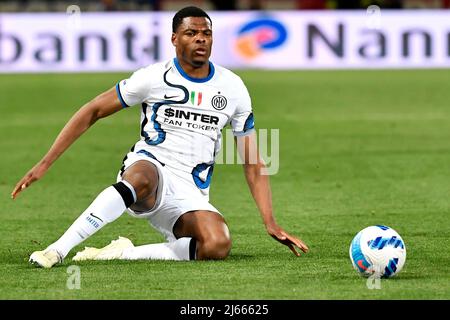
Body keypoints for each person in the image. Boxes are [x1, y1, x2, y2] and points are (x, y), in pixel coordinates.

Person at [11, 6, 309, 268]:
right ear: (174, 39)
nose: (201, 39)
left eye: (206, 33)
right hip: (150, 168)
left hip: (191, 191)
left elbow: (253, 162)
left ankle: (122, 254)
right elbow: (93, 110)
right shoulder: (153, 77)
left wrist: (270, 221)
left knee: (217, 244)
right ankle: (57, 250)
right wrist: (45, 162)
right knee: (141, 177)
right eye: (191, 33)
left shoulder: (232, 87)